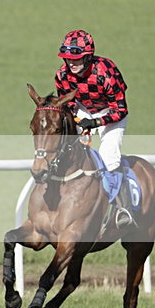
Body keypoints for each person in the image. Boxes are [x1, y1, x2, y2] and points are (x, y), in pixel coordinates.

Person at [54, 29, 134, 227]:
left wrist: (96, 123)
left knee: (109, 156)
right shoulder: (62, 76)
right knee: (67, 149)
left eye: (76, 58)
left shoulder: (106, 72)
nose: (71, 63)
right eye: (67, 58)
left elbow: (121, 109)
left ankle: (123, 208)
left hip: (110, 112)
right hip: (84, 110)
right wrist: (77, 119)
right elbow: (68, 105)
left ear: (88, 56)